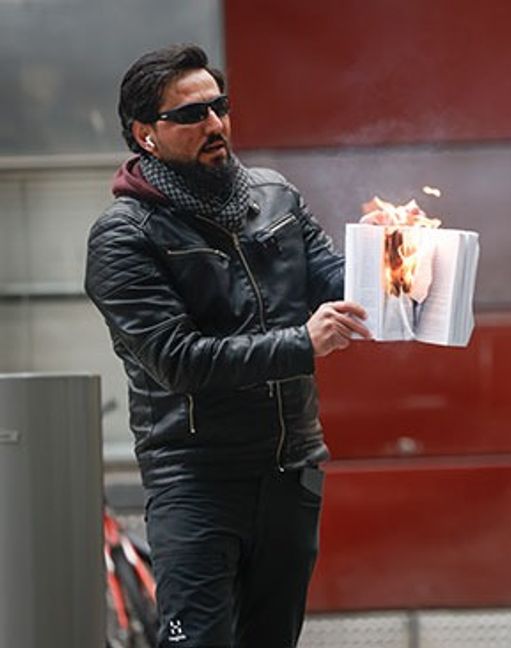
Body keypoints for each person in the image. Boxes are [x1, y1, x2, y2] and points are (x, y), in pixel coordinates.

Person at [85, 44, 371, 647]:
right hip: (197, 480)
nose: (214, 124)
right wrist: (302, 343)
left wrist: (391, 253)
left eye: (219, 107)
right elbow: (179, 360)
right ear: (145, 135)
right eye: (191, 115)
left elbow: (338, 283)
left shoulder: (274, 196)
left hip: (290, 470)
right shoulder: (124, 236)